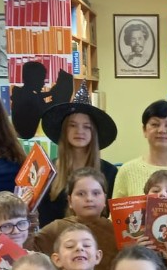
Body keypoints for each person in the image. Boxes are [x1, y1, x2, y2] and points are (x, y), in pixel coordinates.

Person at [38, 83, 120, 228]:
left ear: (93, 133)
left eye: (86, 127)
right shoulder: (48, 171)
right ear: (64, 130)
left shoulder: (110, 172)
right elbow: (43, 219)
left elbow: (113, 219)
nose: (79, 131)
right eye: (73, 125)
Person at [32, 168, 117, 270]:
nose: (89, 199)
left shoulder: (116, 230)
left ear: (105, 199)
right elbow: (29, 249)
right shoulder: (56, 228)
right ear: (70, 201)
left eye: (96, 193)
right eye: (81, 194)